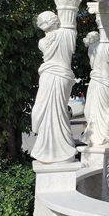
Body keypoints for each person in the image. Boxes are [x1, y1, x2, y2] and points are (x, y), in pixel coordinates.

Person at [30, 11, 77, 163]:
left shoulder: (44, 41)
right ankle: (57, 148)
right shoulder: (67, 33)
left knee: (54, 111)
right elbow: (70, 25)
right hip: (60, 75)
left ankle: (54, 149)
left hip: (51, 75)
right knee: (57, 111)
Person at [82, 23, 109, 147]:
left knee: (97, 109)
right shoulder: (103, 47)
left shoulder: (95, 48)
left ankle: (100, 135)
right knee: (101, 109)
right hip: (102, 82)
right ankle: (102, 135)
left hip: (99, 82)